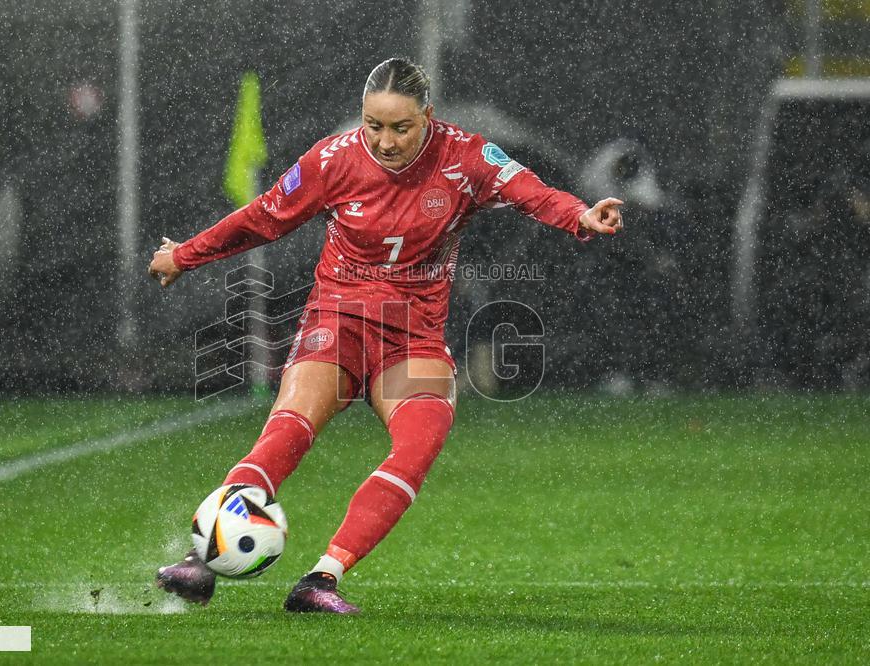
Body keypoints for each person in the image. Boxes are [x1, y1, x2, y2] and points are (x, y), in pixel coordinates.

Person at [149, 57, 623, 614]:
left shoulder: (465, 157)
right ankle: (201, 561)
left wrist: (580, 216)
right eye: (374, 125)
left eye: (401, 127)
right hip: (337, 321)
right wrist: (185, 255)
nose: (386, 141)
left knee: (419, 444)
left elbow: (530, 191)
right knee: (289, 428)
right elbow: (264, 216)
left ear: (429, 117)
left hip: (413, 338)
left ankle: (321, 580)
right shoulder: (332, 160)